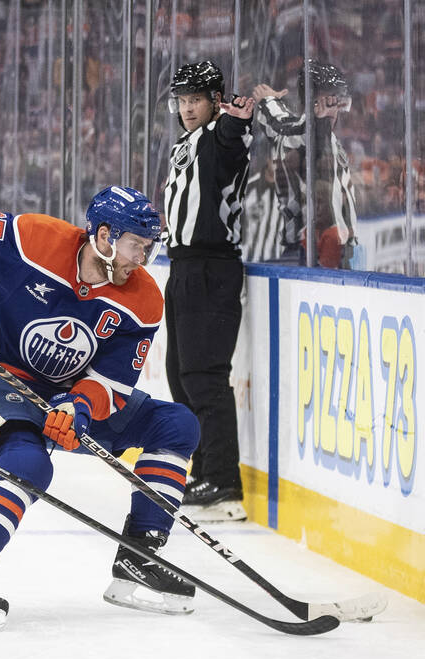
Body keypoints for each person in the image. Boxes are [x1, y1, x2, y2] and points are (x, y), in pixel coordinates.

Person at [0, 187, 200, 628]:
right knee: (27, 464)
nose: (141, 259)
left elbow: (114, 380)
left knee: (176, 424)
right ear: (104, 235)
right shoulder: (35, 241)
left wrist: (80, 405)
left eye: (149, 248)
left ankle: (139, 558)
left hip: (68, 397)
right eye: (135, 246)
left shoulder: (143, 299)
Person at [162, 60, 253, 523]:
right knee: (181, 376)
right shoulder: (188, 141)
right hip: (183, 269)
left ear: (215, 100)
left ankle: (222, 483)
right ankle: (204, 471)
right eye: (181, 99)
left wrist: (237, 119)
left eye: (195, 98)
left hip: (210, 271)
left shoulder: (219, 137)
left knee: (204, 377)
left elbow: (231, 144)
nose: (187, 107)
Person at [252, 60, 359, 270]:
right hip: (305, 251)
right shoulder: (302, 135)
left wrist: (270, 102)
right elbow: (285, 128)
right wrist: (268, 102)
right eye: (326, 100)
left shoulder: (329, 138)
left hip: (335, 249)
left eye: (335, 100)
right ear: (310, 102)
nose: (332, 107)